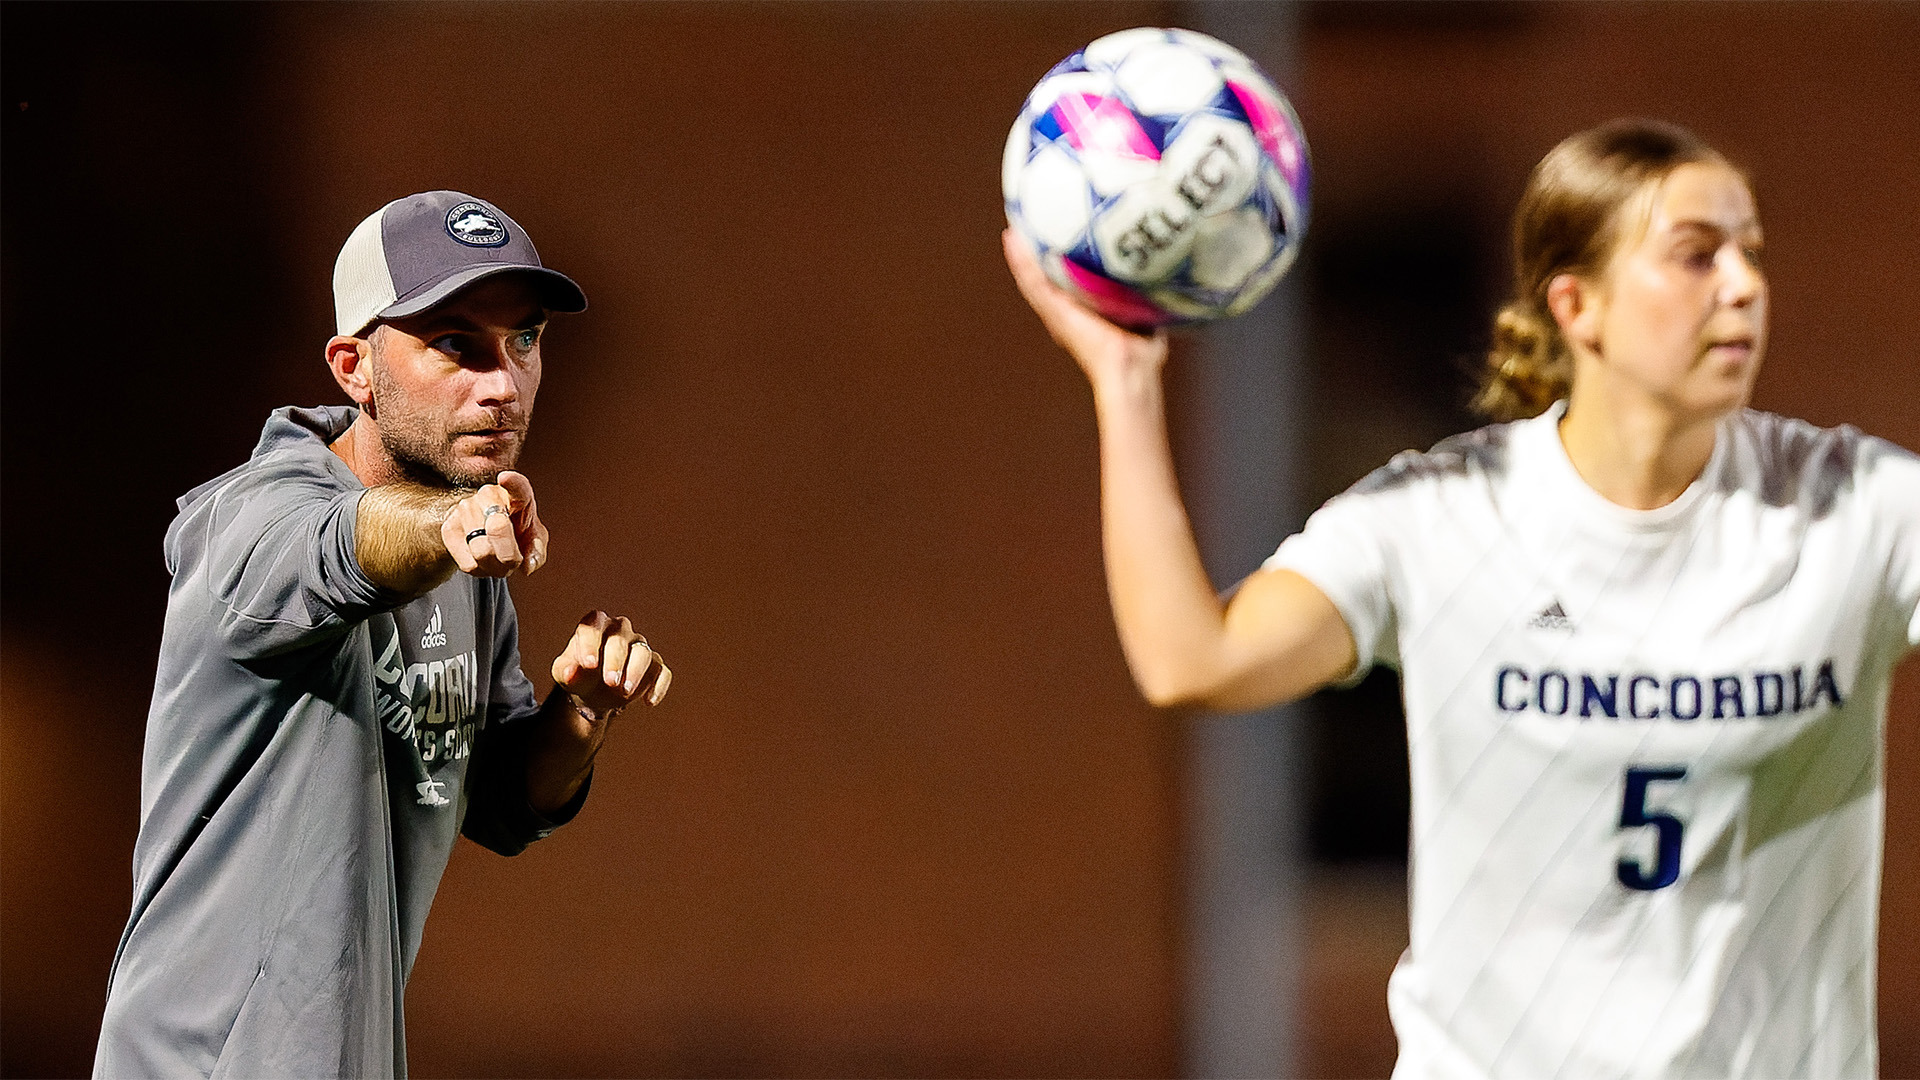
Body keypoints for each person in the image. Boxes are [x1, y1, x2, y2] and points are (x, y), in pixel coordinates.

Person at [1006, 119, 1920, 1078]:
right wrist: (1126, 386)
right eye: (1697, 255)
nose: (1743, 285)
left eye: (1750, 253)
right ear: (1579, 305)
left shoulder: (1852, 511)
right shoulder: (1441, 518)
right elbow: (1192, 658)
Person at [94, 190, 672, 1078]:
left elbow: (504, 800)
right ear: (354, 368)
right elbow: (340, 547)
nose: (502, 382)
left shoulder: (464, 561)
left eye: (524, 340)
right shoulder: (251, 522)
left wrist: (582, 715)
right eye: (455, 344)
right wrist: (448, 530)